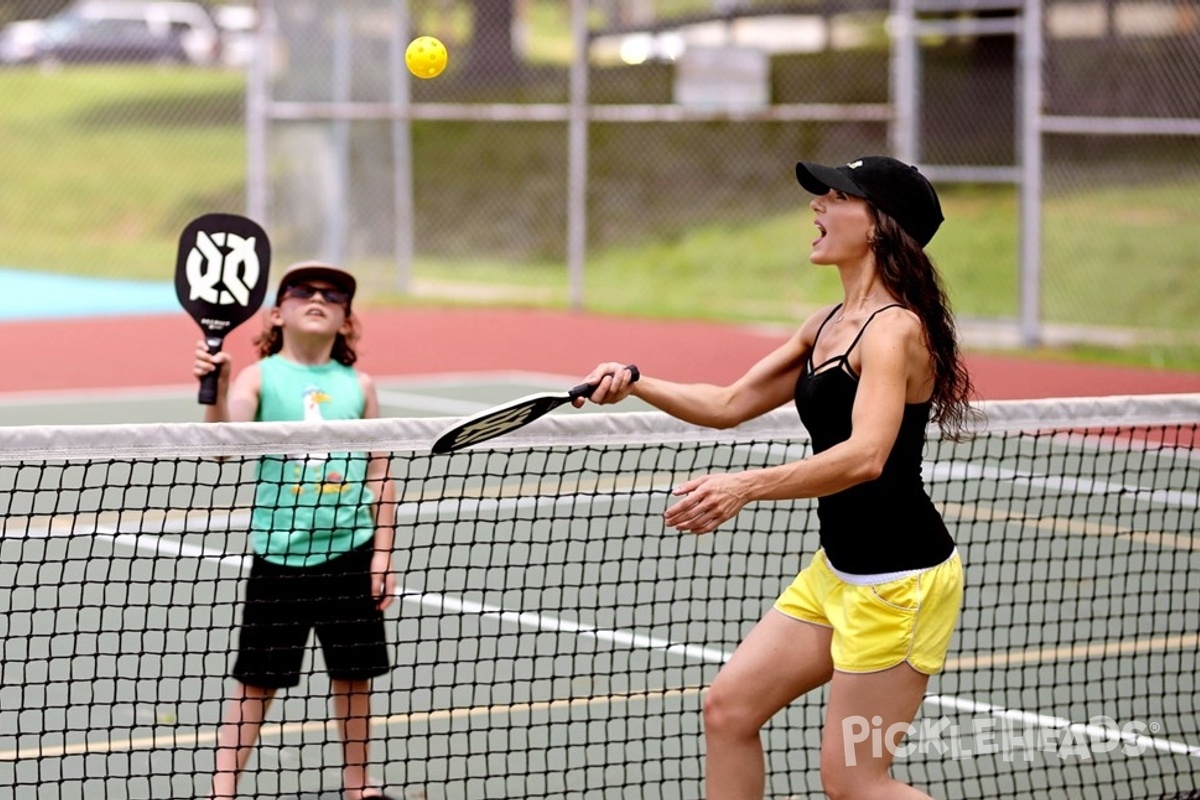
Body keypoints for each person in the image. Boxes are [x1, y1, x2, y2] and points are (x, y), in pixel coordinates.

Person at [577, 156, 974, 799]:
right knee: (728, 710)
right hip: (839, 571)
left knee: (855, 783)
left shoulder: (895, 330)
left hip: (899, 581)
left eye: (836, 196)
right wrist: (637, 381)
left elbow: (866, 456)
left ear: (878, 225)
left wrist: (744, 486)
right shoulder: (823, 325)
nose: (816, 206)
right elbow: (728, 404)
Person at [193, 262, 399, 800]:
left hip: (350, 552)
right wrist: (212, 386)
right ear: (278, 313)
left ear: (345, 320)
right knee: (256, 680)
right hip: (280, 555)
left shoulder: (360, 385)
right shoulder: (259, 377)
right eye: (303, 291)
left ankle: (358, 785)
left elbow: (380, 473)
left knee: (354, 676)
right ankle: (223, 788)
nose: (319, 298)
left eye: (333, 295)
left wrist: (382, 556)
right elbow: (221, 446)